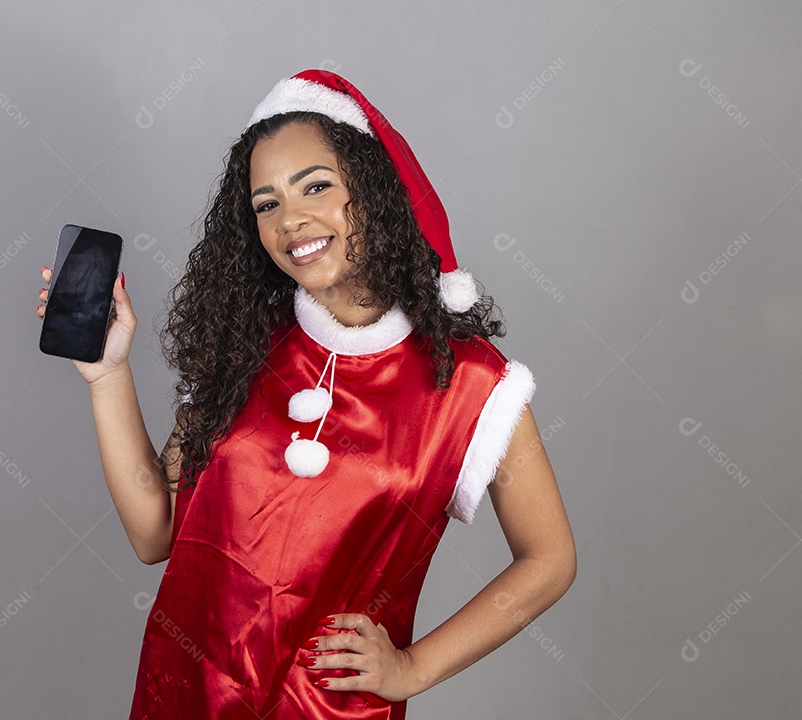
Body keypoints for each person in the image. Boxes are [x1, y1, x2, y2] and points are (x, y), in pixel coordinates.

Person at [37, 69, 576, 719]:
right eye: (266, 204)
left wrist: (415, 666)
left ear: (371, 192)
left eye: (315, 186)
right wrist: (108, 376)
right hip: (183, 695)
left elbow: (549, 560)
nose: (292, 220)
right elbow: (156, 535)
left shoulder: (470, 385)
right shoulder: (241, 347)